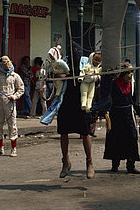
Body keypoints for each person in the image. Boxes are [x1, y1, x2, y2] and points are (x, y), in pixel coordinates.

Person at [52, 47, 96, 180]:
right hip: (66, 102)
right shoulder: (62, 63)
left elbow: (96, 75)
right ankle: (65, 162)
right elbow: (52, 74)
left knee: (85, 133)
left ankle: (89, 162)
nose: (74, 57)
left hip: (81, 102)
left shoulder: (86, 63)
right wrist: (59, 76)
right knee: (63, 132)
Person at [104, 62, 140, 174]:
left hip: (128, 114)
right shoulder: (113, 84)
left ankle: (131, 165)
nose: (130, 75)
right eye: (128, 72)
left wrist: (139, 110)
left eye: (131, 72)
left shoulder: (131, 85)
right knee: (115, 139)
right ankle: (115, 165)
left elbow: (133, 100)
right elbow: (107, 98)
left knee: (131, 138)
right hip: (116, 114)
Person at [0, 55, 24, 156]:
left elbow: (21, 89)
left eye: (7, 63)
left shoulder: (15, 76)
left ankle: (14, 149)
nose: (6, 65)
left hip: (10, 101)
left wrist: (15, 96)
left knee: (12, 124)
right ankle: (0, 148)